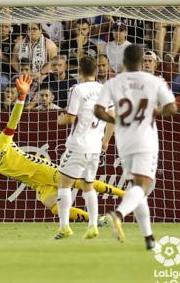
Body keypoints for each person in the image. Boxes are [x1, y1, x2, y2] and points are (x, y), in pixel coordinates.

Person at [0, 74, 125, 222]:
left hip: (44, 170)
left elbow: (14, 120)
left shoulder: (2, 142)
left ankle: (125, 194)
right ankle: (99, 221)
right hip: (38, 185)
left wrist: (22, 97)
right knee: (55, 208)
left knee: (81, 183)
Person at [94, 44, 178, 250]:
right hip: (145, 139)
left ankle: (149, 239)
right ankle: (119, 214)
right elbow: (172, 108)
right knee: (143, 187)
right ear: (142, 62)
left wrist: (118, 119)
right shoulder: (153, 81)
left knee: (137, 188)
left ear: (123, 61)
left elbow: (98, 110)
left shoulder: (113, 83)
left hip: (124, 141)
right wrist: (153, 112)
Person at [54, 56, 114, 240]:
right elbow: (113, 117)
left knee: (64, 183)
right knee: (88, 184)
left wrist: (60, 119)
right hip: (95, 147)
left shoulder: (77, 89)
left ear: (80, 71)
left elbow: (70, 118)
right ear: (96, 71)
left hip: (78, 145)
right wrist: (105, 141)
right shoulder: (105, 89)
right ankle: (93, 226)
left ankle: (64, 227)